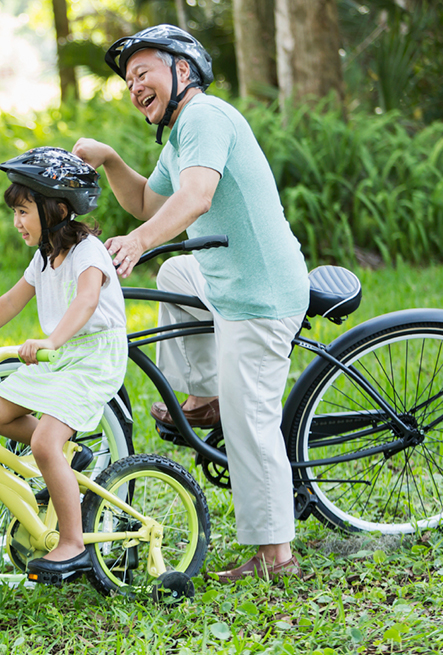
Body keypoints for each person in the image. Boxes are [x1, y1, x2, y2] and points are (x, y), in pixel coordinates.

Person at [72, 25, 310, 582]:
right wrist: (110, 160)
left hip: (260, 295)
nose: (134, 86)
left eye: (142, 73)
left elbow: (196, 198)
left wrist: (137, 244)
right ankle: (207, 398)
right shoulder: (181, 136)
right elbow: (148, 201)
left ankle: (277, 556)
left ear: (182, 71)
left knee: (252, 420)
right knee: (180, 270)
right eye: (129, 80)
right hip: (228, 283)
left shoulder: (205, 117)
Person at [0, 147, 127, 583]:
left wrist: (52, 339)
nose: (17, 222)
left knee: (43, 442)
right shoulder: (44, 257)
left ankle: (73, 543)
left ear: (58, 208)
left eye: (24, 211)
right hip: (59, 355)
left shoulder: (88, 251)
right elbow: (11, 300)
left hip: (93, 355)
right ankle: (71, 454)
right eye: (15, 213)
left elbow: (86, 300)